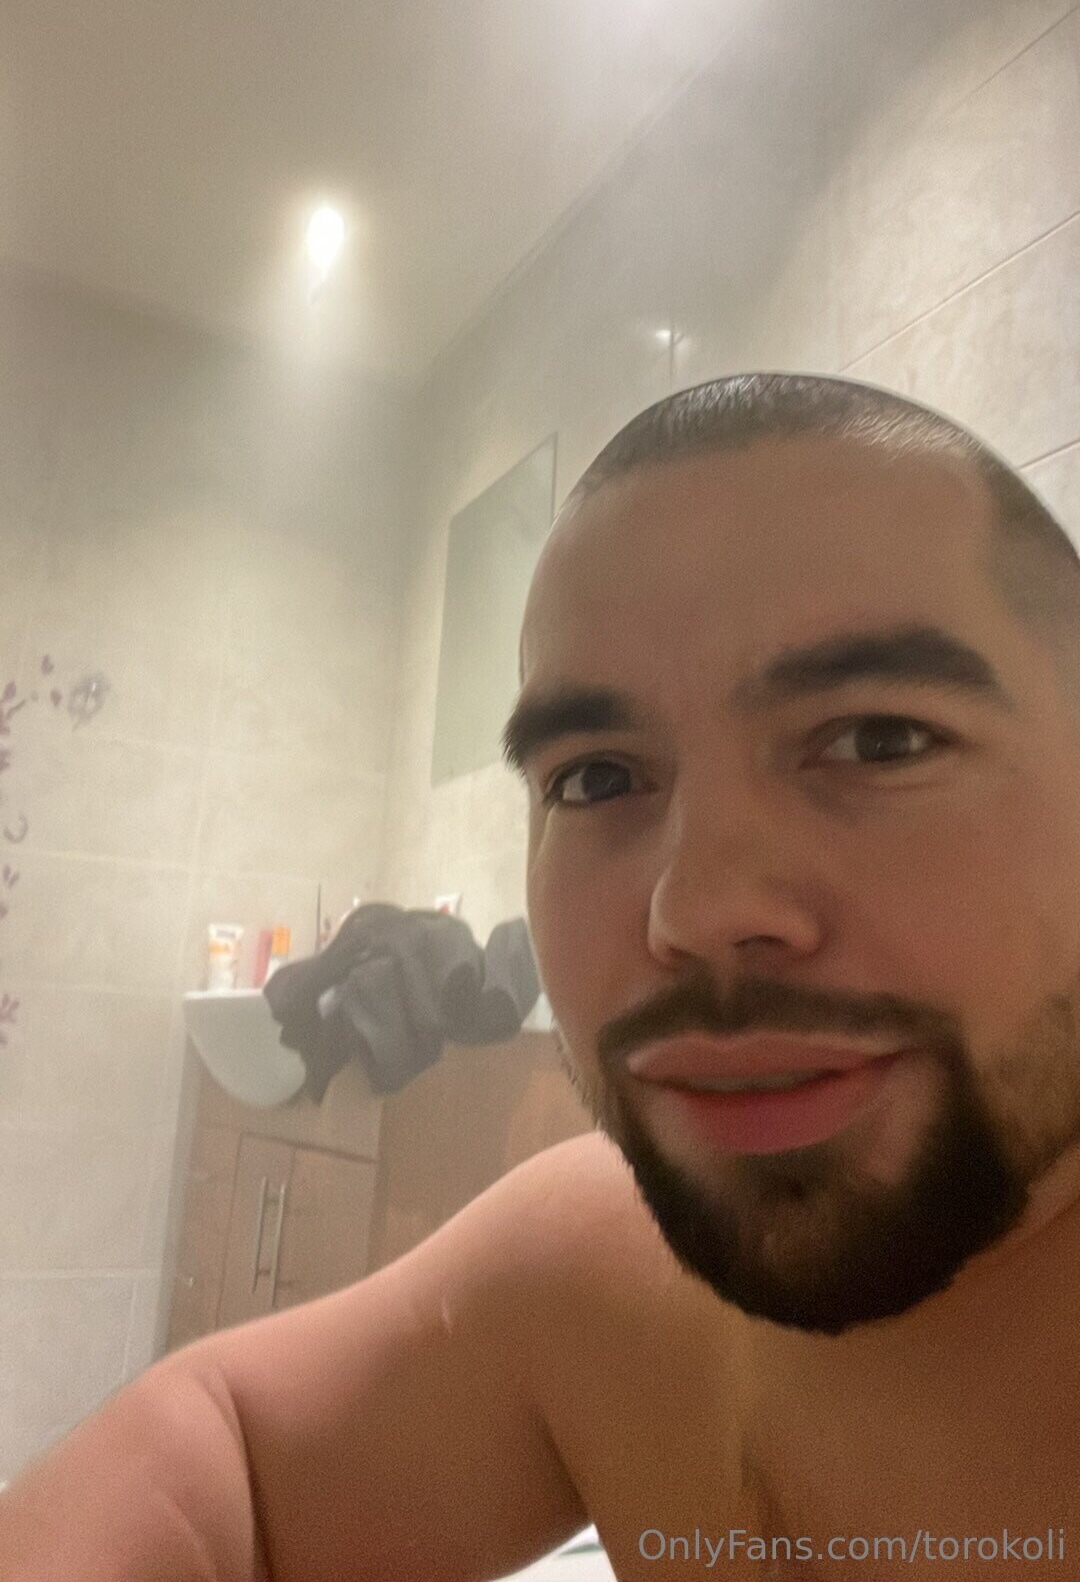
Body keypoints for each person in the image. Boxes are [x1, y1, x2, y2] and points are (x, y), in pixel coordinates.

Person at [4, 370, 1079, 1580]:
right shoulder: (600, 1274)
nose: (695, 910)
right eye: (596, 777)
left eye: (881, 740)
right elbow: (228, 1452)